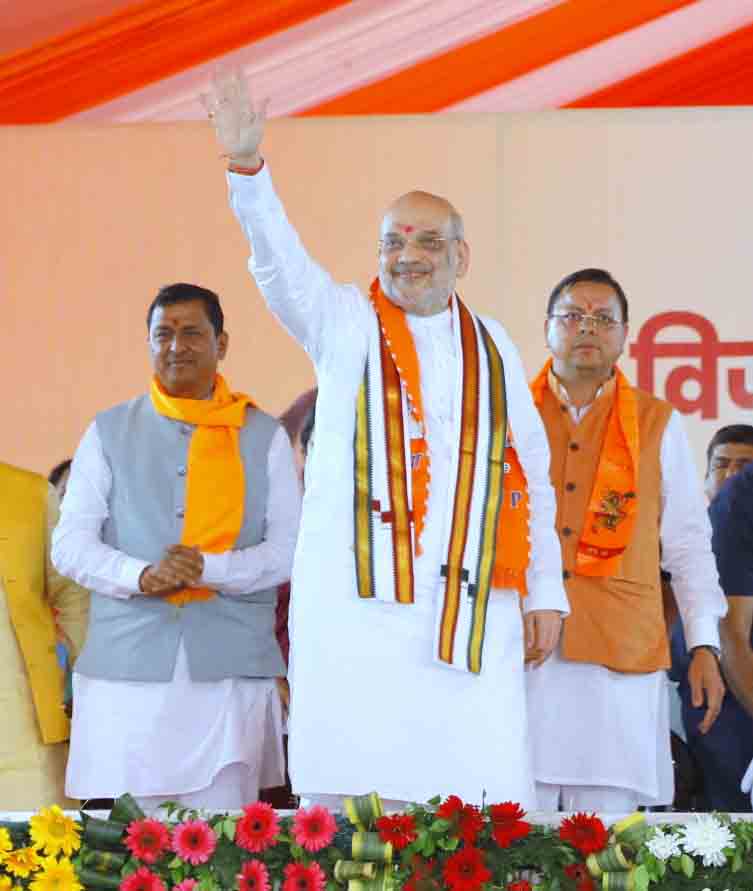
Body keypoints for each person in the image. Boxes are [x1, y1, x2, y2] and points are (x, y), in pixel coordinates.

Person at [204, 72, 568, 810]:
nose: (408, 255)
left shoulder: (493, 343)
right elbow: (279, 268)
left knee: (476, 796)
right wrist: (247, 174)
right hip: (357, 607)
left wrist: (545, 591)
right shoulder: (340, 320)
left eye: (428, 242)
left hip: (471, 603)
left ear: (460, 258)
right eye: (392, 241)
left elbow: (527, 469)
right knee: (352, 804)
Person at [52, 282, 300, 811]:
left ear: (222, 343)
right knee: (127, 851)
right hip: (127, 676)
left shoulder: (264, 435)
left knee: (221, 845)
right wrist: (139, 575)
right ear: (148, 343)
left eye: (192, 332)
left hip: (228, 675)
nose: (176, 346)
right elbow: (70, 544)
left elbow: (287, 551)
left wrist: (209, 568)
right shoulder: (108, 430)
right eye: (162, 333)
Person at [527, 268, 727, 812]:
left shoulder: (658, 422)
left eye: (602, 318)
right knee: (513, 830)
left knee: (607, 839)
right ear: (547, 328)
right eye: (572, 316)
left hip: (620, 658)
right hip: (522, 649)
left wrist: (705, 642)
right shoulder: (510, 413)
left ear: (624, 334)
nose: (587, 328)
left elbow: (687, 541)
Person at [670, 424, 753, 811]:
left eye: (743, 464)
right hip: (719, 691)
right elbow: (729, 631)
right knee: (730, 827)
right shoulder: (684, 537)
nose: (731, 474)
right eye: (721, 465)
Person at [0, 461, 88, 809]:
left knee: (42, 852)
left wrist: (65, 666)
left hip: (24, 734)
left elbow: (73, 594)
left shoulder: (29, 493)